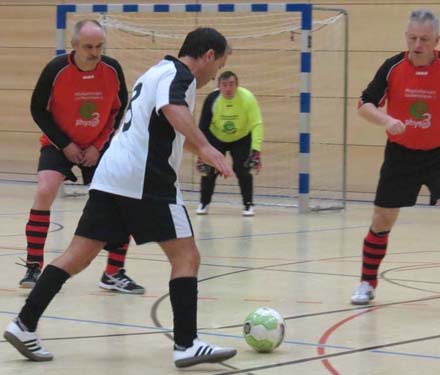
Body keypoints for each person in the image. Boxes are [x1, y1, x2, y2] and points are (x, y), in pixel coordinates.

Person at [3, 27, 237, 368]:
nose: (215, 74)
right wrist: (204, 145)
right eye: (218, 65)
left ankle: (23, 324)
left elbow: (160, 124)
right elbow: (173, 108)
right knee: (187, 256)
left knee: (76, 256)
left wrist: (194, 148)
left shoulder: (156, 71)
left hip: (111, 174)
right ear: (209, 56)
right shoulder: (180, 75)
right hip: (146, 178)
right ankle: (187, 344)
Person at [350, 9, 440, 311]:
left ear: (436, 40)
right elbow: (364, 104)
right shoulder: (391, 67)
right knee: (382, 219)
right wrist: (386, 120)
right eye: (412, 38)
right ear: (407, 37)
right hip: (400, 155)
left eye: (424, 39)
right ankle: (366, 282)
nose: (417, 45)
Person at [20, 20, 145, 295]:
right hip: (59, 144)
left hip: (97, 146)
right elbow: (38, 110)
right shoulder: (56, 69)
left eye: (99, 46)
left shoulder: (112, 69)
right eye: (88, 46)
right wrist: (65, 145)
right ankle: (33, 266)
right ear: (74, 46)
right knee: (45, 190)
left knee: (122, 200)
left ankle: (113, 273)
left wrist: (98, 146)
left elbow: (118, 109)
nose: (95, 52)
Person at [195, 71, 263, 216]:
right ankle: (204, 203)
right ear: (218, 86)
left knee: (243, 170)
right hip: (216, 136)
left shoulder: (247, 98)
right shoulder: (212, 99)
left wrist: (256, 150)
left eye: (231, 84)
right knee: (209, 170)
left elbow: (257, 124)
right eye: (224, 85)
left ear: (237, 85)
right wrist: (201, 152)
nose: (228, 88)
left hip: (242, 137)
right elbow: (202, 126)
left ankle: (248, 205)